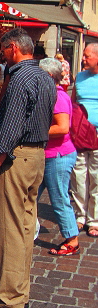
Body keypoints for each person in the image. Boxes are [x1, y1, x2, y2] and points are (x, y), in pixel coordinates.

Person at [0, 28, 56, 308]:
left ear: (12, 48)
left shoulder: (20, 78)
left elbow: (10, 129)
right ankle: (19, 292)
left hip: (16, 158)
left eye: (2, 49)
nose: (0, 54)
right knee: (24, 228)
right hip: (35, 157)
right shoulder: (44, 77)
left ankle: (9, 299)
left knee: (8, 229)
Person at [37, 58, 79, 255]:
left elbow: (63, 127)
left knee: (59, 198)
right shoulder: (50, 94)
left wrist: (36, 131)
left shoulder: (58, 96)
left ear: (48, 76)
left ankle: (72, 239)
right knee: (30, 195)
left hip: (58, 155)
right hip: (48, 155)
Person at [70, 42, 98, 237]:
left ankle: (94, 219)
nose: (83, 59)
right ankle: (80, 216)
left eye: (87, 55)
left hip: (97, 134)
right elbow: (73, 102)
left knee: (96, 178)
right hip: (80, 135)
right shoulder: (79, 77)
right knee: (79, 176)